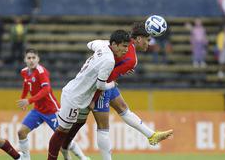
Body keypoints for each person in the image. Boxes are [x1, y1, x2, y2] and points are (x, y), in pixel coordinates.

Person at [61, 22, 173, 160]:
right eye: (147, 40)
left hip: (103, 82)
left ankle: (151, 135)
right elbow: (105, 80)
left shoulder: (121, 42)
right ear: (138, 39)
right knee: (103, 127)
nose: (148, 44)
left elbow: (93, 45)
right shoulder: (131, 59)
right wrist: (93, 99)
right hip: (98, 87)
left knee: (123, 108)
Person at [47, 30, 130, 160]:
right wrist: (112, 84)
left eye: (128, 46)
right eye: (124, 46)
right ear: (114, 44)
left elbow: (90, 43)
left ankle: (66, 149)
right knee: (61, 132)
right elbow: (100, 85)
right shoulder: (109, 61)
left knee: (74, 126)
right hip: (75, 98)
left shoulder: (102, 46)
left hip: (78, 93)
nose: (126, 50)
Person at [16, 49, 89, 160]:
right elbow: (27, 85)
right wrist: (23, 99)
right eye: (29, 58)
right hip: (38, 110)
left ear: (38, 59)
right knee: (21, 132)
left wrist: (29, 100)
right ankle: (25, 158)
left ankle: (83, 158)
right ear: (25, 59)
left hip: (52, 110)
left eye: (33, 58)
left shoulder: (41, 72)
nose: (31, 60)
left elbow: (46, 89)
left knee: (63, 139)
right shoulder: (24, 72)